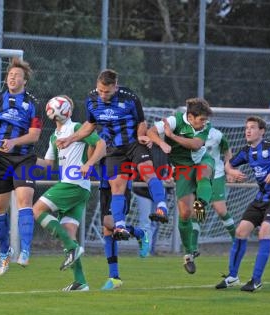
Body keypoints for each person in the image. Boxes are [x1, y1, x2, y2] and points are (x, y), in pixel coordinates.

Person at [56, 69, 169, 245]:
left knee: (148, 172)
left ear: (115, 87)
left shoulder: (129, 97)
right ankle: (121, 226)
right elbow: (90, 125)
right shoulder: (92, 99)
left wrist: (141, 135)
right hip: (114, 149)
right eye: (100, 90)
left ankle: (162, 207)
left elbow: (141, 122)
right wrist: (70, 139)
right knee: (117, 186)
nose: (102, 95)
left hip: (133, 143)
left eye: (106, 92)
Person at [217, 116, 270, 292]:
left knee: (264, 232)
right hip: (261, 199)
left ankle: (256, 280)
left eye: (252, 127)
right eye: (246, 128)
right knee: (241, 232)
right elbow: (228, 164)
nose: (248, 130)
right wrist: (232, 171)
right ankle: (232, 276)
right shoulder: (247, 150)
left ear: (262, 131)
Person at [33, 95, 106, 291]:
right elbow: (48, 165)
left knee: (37, 210)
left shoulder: (77, 128)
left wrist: (89, 164)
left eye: (64, 105)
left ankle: (73, 249)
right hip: (76, 187)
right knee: (68, 232)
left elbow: (101, 145)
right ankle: (80, 281)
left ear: (68, 111)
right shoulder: (53, 137)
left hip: (73, 183)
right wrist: (28, 158)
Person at [0, 57, 42, 276]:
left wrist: (14, 142)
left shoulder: (33, 103)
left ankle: (25, 251)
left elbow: (34, 135)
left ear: (25, 81)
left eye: (17, 76)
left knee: (25, 200)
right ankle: (4, 252)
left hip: (24, 158)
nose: (12, 78)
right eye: (10, 75)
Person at [147, 98, 215, 274]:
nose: (204, 124)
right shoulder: (174, 120)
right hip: (182, 168)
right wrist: (161, 142)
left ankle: (201, 203)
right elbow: (151, 131)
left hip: (201, 160)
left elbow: (195, 145)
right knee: (185, 213)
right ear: (190, 117)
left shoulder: (204, 126)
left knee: (203, 175)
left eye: (205, 120)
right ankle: (188, 254)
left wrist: (171, 136)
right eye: (201, 120)